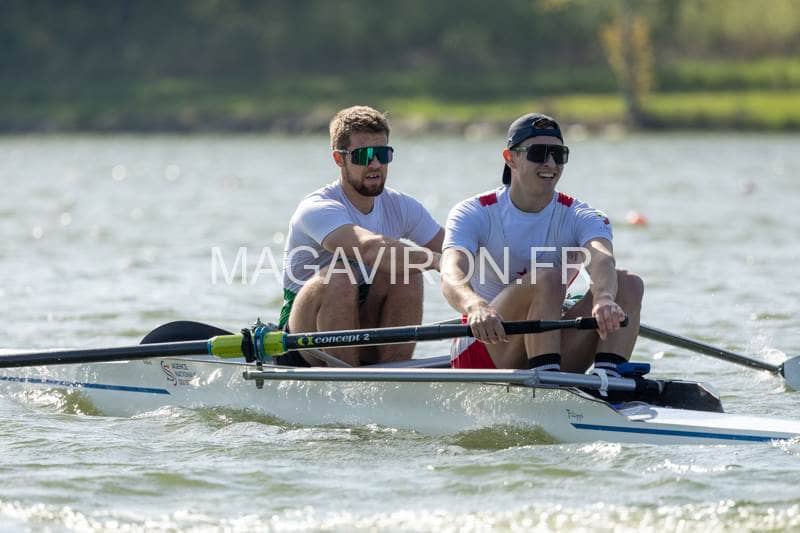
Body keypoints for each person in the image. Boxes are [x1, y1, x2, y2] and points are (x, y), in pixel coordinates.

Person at [440, 112, 643, 375]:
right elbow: (451, 271)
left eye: (558, 155)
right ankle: (547, 381)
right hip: (484, 345)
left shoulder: (581, 215)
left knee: (628, 283)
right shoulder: (474, 211)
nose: (550, 163)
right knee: (547, 278)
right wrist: (474, 305)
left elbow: (601, 256)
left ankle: (609, 380)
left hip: (549, 343)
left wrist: (603, 298)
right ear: (510, 157)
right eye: (539, 153)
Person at [279, 105, 444, 367]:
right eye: (363, 155)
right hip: (305, 344)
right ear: (339, 159)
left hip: (365, 330)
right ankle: (346, 382)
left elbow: (457, 250)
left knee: (408, 272)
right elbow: (368, 248)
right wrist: (436, 261)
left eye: (382, 154)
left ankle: (394, 373)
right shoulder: (317, 208)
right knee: (340, 276)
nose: (375, 164)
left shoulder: (402, 206)